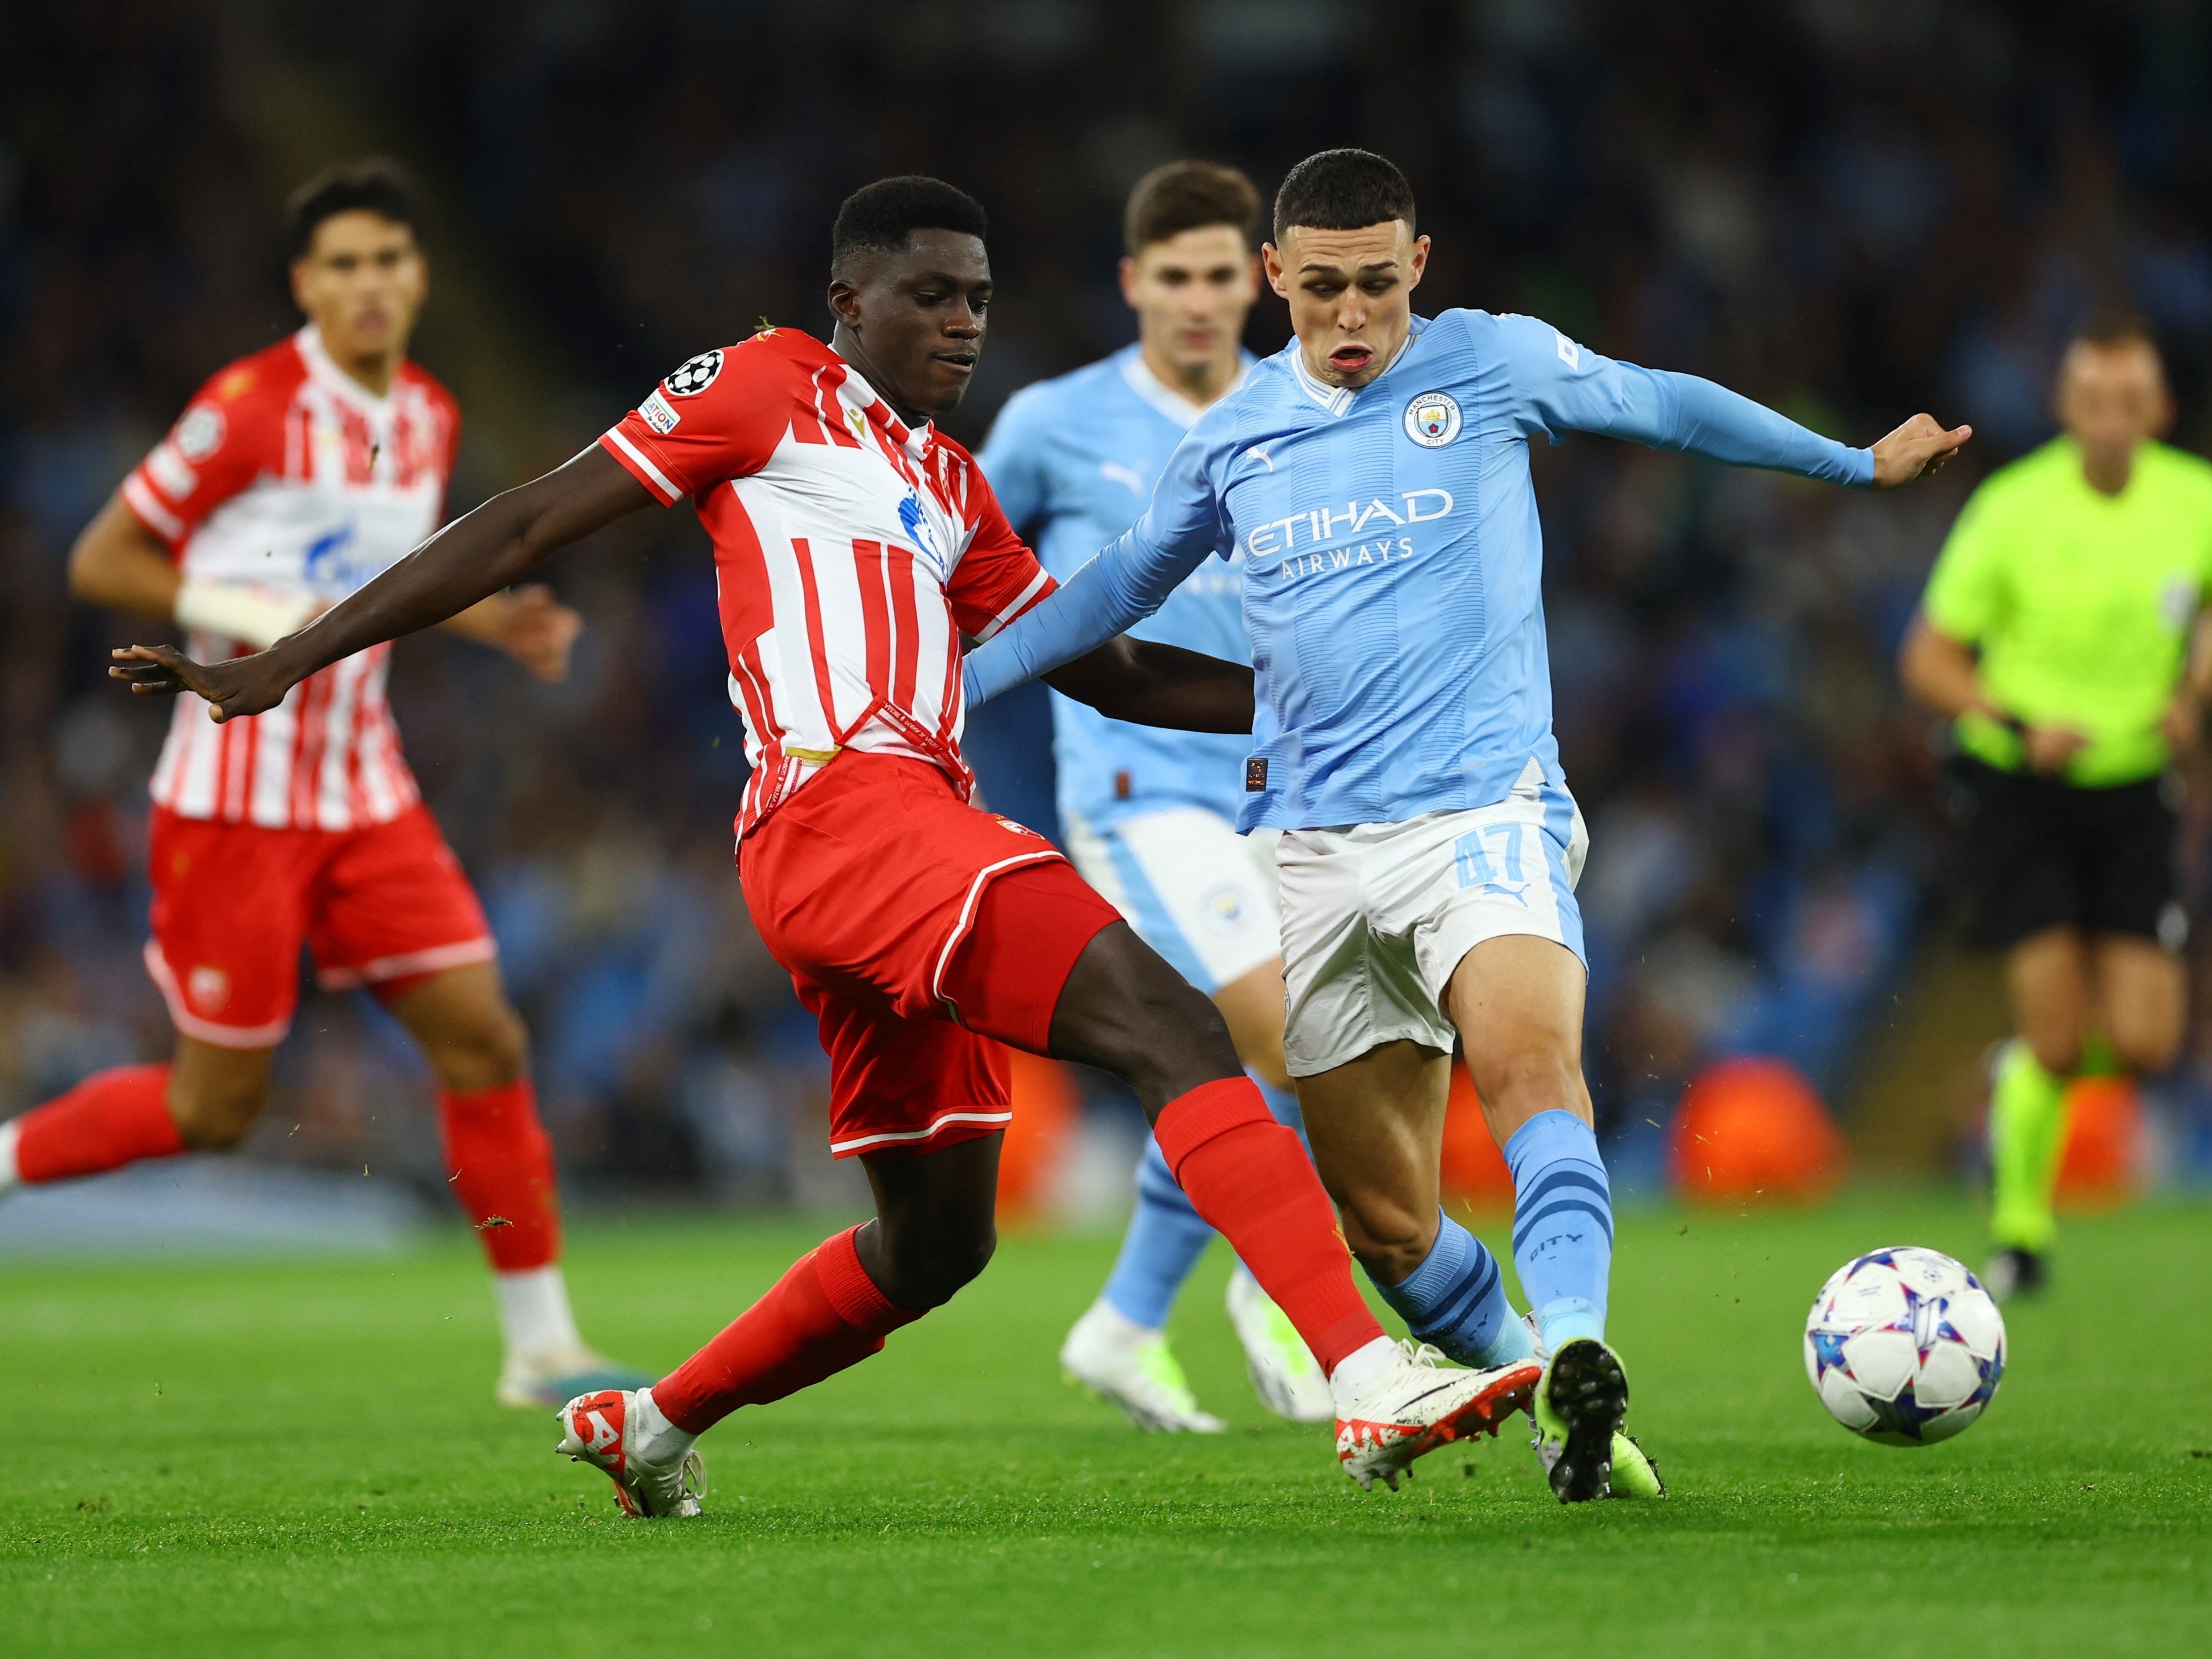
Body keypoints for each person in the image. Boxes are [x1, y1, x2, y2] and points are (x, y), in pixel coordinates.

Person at [111, 176, 1545, 1517]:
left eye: (979, 297)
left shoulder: (949, 484)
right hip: (847, 812)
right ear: (849, 302)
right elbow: (531, 519)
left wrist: (1330, 694)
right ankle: (1366, 1375)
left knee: (939, 1246)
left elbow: (1103, 671)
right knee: (1168, 1020)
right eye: (930, 295)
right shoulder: (760, 385)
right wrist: (288, 657)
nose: (964, 322)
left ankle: (653, 1425)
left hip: (874, 849)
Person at [964, 148, 1971, 1502]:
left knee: (1530, 1072)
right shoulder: (1234, 437)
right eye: (1322, 288)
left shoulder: (1491, 366)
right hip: (1312, 855)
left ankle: (1576, 1345)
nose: (1354, 315)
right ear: (1276, 280)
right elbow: (1110, 593)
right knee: (1387, 1225)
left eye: (1379, 283)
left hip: (1482, 813)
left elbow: (1658, 404)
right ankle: (1558, 1403)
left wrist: (1851, 465)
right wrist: (950, 685)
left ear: (1418, 267)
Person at [0, 159, 646, 1409]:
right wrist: (243, 615)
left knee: (484, 1035)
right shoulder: (247, 406)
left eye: (389, 261)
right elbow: (102, 556)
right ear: (305, 282)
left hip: (365, 793)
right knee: (214, 1108)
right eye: (342, 264)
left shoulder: (430, 417)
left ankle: (542, 1347)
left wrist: (490, 620)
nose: (368, 285)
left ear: (418, 276)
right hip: (233, 797)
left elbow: (380, 571)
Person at [978, 161, 1329, 1432]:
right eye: (1171, 277)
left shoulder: (1309, 411)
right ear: (1133, 283)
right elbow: (941, 560)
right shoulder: (1052, 423)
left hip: (1289, 792)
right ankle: (1279, 1292)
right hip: (1136, 795)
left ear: (1263, 280)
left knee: (1283, 1047)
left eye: (1219, 276)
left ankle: (1123, 1324)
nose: (1195, 301)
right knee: (1276, 1029)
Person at [1900, 312, 2212, 1300]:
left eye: (2130, 401)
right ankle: (2023, 1228)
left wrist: (2191, 687)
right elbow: (1930, 659)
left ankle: (2016, 1086)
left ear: (2158, 408)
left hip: (2133, 785)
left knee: (2152, 1038)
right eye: (2093, 401)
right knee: (2059, 1035)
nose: (2112, 419)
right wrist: (2017, 719)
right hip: (2021, 784)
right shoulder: (2012, 509)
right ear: (2066, 407)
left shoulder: (2194, 499)